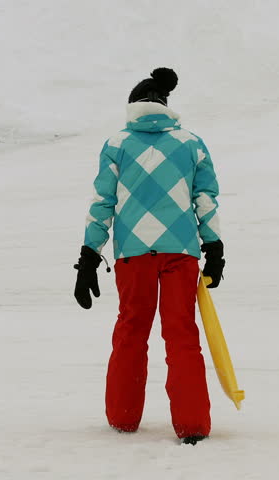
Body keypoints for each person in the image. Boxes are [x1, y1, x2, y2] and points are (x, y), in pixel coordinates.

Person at [73, 67, 225, 445]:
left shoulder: (117, 144)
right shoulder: (192, 143)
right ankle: (192, 425)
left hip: (133, 254)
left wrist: (90, 256)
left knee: (130, 332)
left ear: (133, 106)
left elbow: (103, 203)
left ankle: (123, 419)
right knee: (182, 336)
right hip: (181, 252)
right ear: (164, 105)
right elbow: (205, 199)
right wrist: (214, 247)